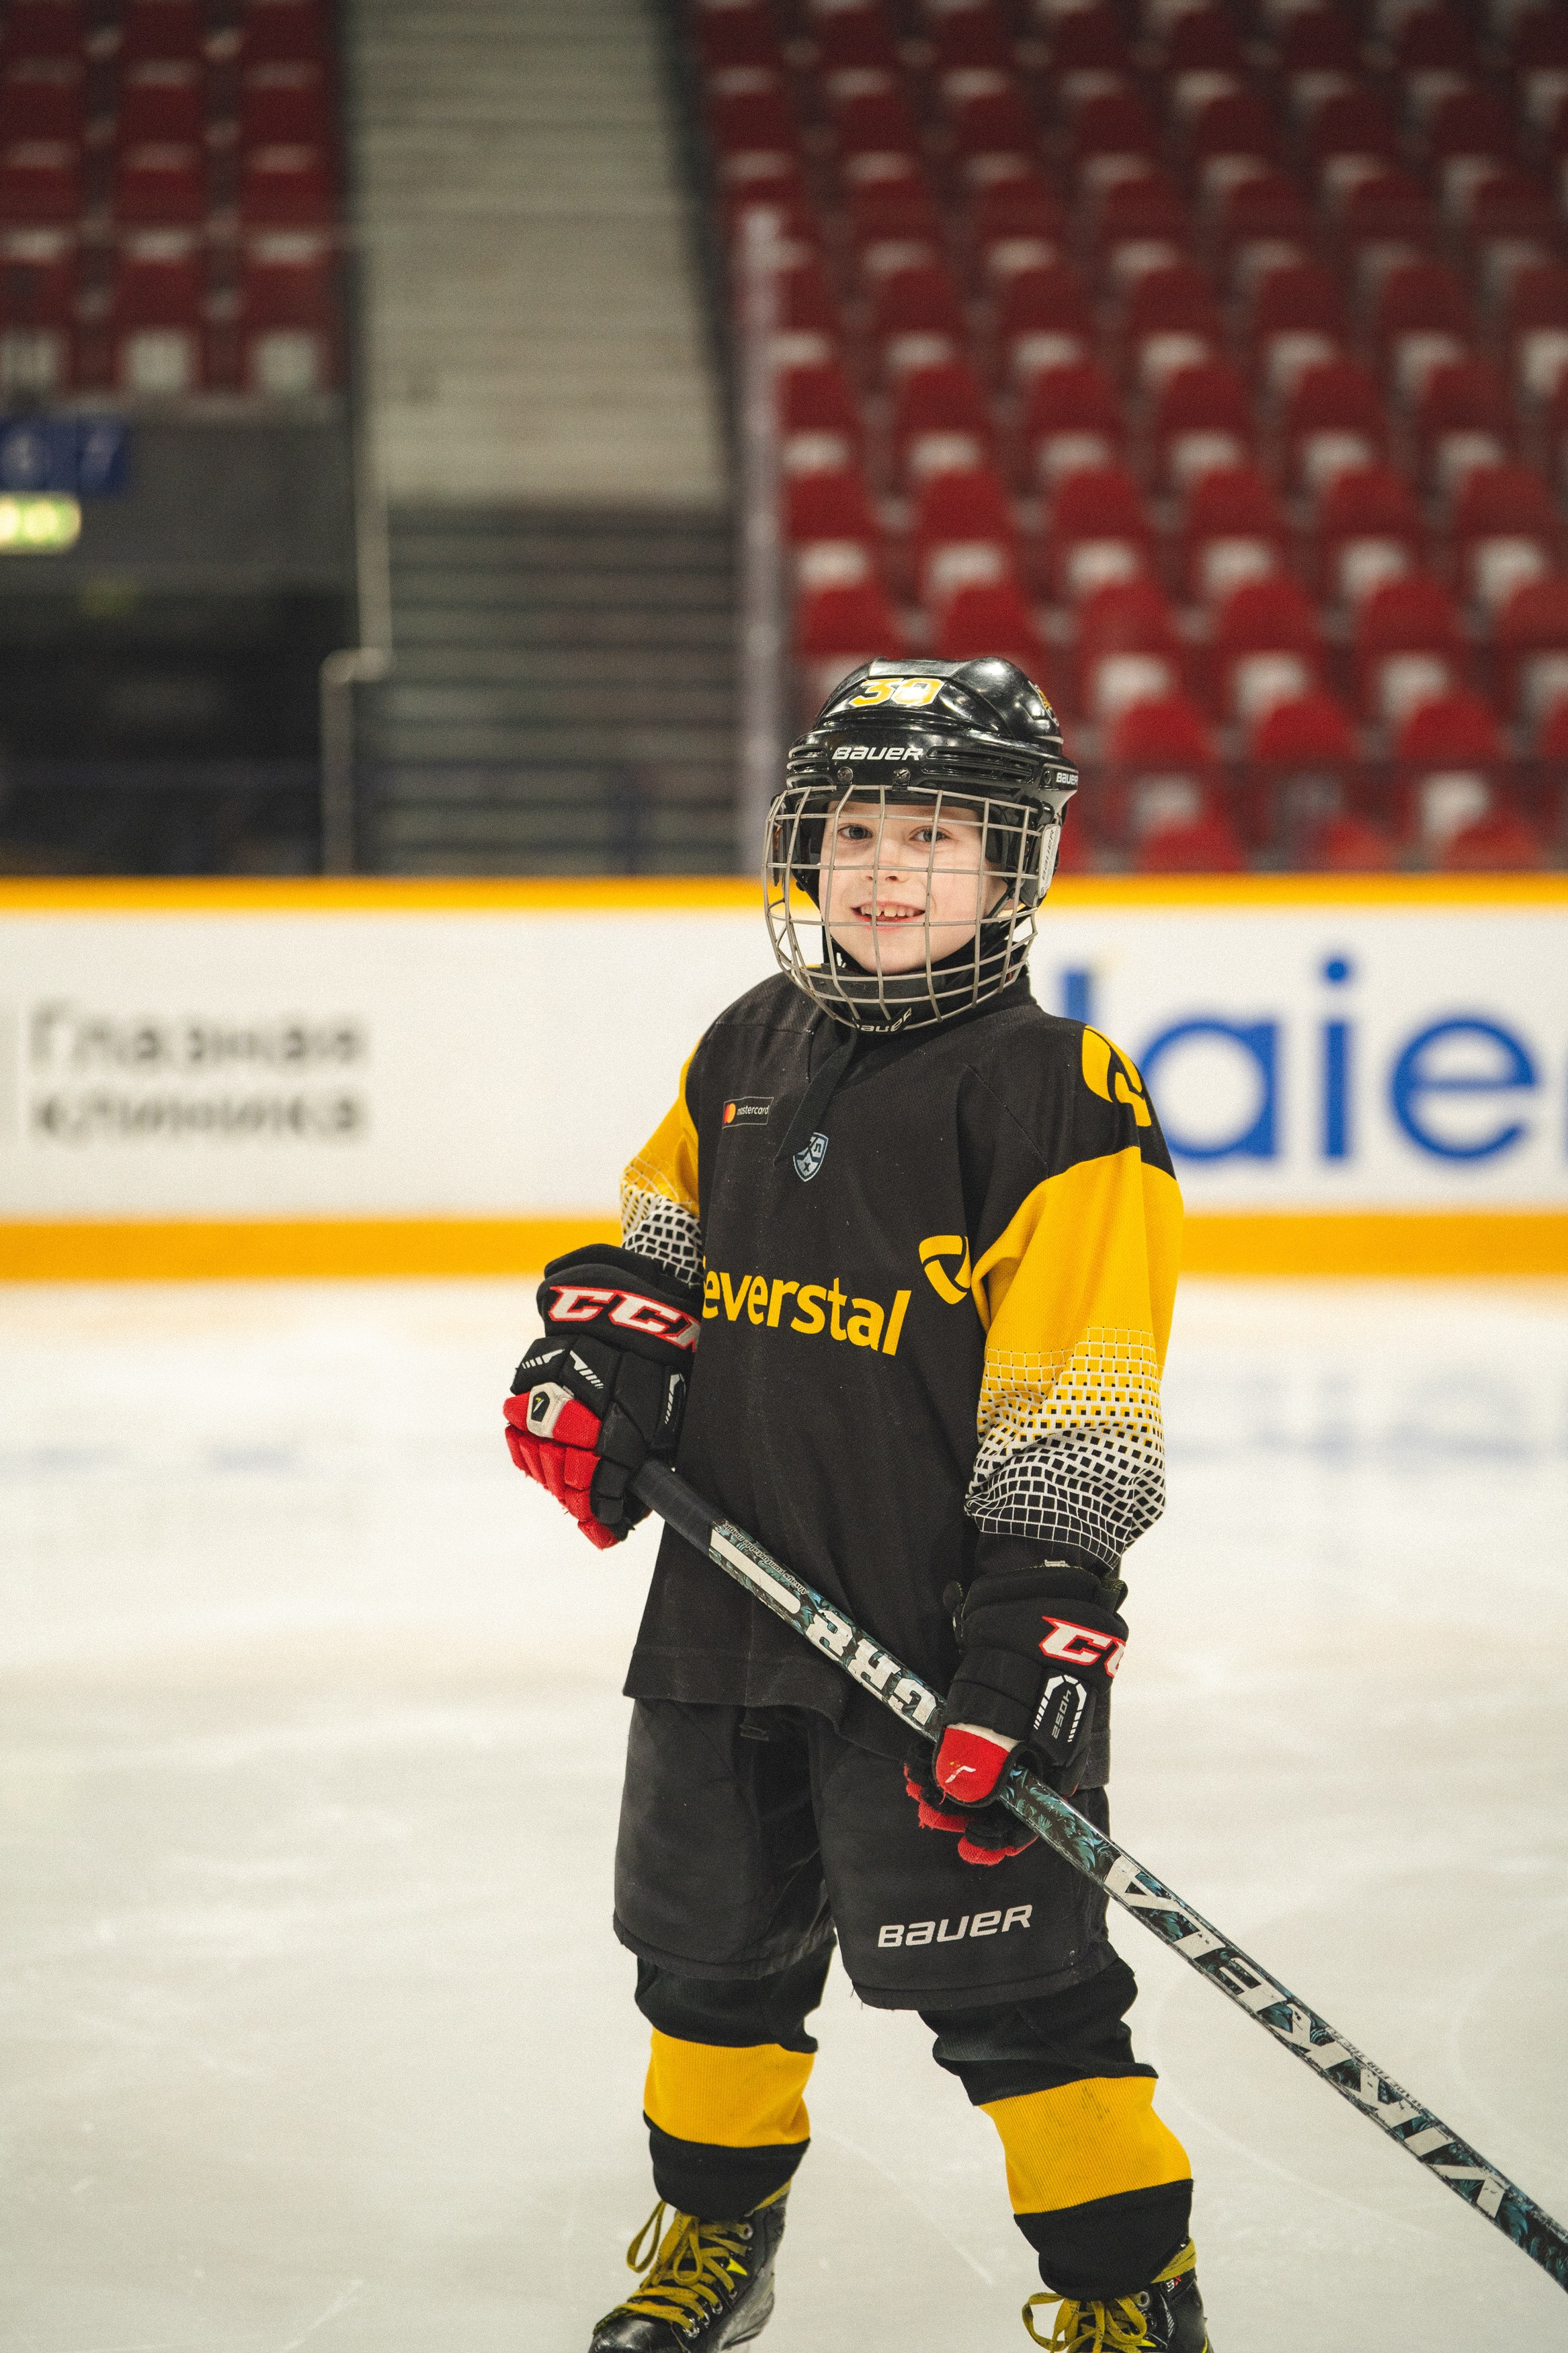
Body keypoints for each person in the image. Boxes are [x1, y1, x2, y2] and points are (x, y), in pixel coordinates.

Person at [504, 658, 1210, 2352]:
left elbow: (1083, 1404)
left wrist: (1036, 1643)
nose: (889, 869)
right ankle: (713, 2242)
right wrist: (595, 1358)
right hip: (722, 1612)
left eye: (938, 837)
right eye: (859, 830)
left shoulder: (1061, 1092)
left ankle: (1129, 2291)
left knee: (1023, 1997)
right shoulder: (746, 1044)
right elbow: (657, 1246)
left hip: (932, 1631)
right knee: (707, 1969)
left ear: (1016, 864)